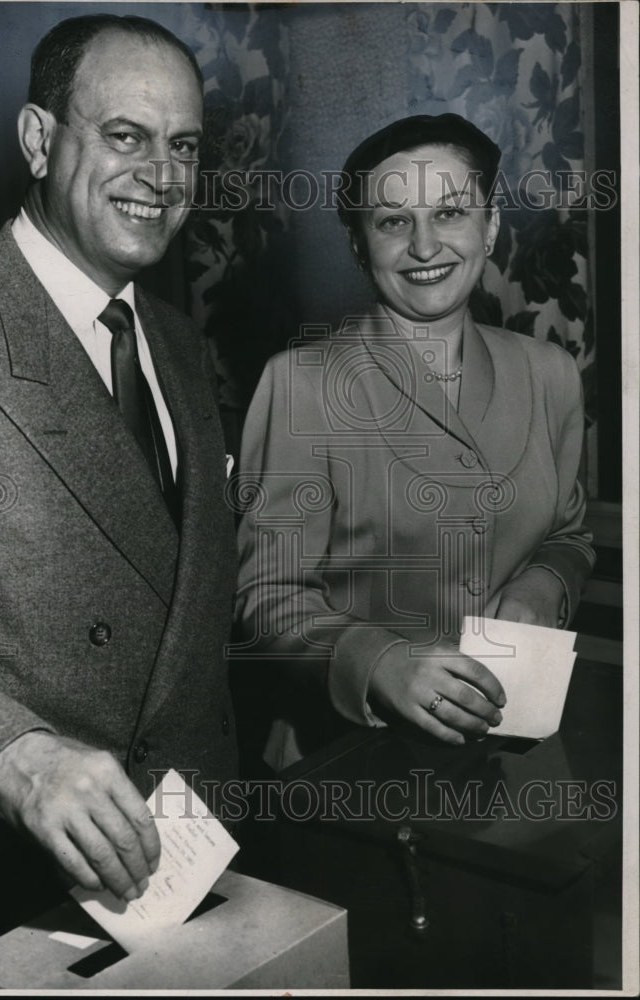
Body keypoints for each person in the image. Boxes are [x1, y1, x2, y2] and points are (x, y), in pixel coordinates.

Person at [0, 14, 237, 983]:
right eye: (124, 135)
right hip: (8, 903)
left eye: (182, 147)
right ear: (39, 140)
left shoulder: (173, 340)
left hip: (188, 867)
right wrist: (18, 757)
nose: (160, 175)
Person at [234, 114, 595, 770]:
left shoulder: (551, 376)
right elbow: (266, 601)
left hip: (519, 744)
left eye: (451, 213)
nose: (425, 246)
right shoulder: (301, 384)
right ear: (358, 245)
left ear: (490, 227)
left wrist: (544, 585)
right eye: (394, 222)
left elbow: (567, 535)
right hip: (347, 758)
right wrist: (379, 663)